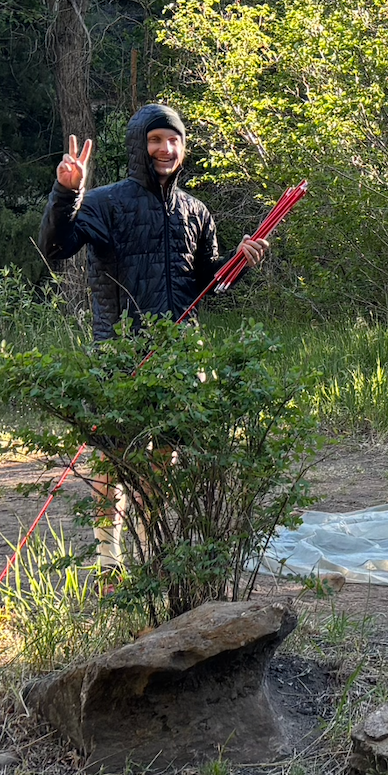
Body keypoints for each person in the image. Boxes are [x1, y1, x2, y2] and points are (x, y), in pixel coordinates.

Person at [38, 102, 269, 561]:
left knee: (165, 458)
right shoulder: (104, 201)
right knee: (113, 457)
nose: (166, 148)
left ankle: (153, 554)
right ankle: (108, 560)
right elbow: (56, 246)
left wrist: (238, 262)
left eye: (174, 140)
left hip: (181, 355)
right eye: (156, 140)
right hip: (120, 352)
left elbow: (208, 283)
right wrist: (66, 194)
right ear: (138, 147)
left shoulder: (197, 211)